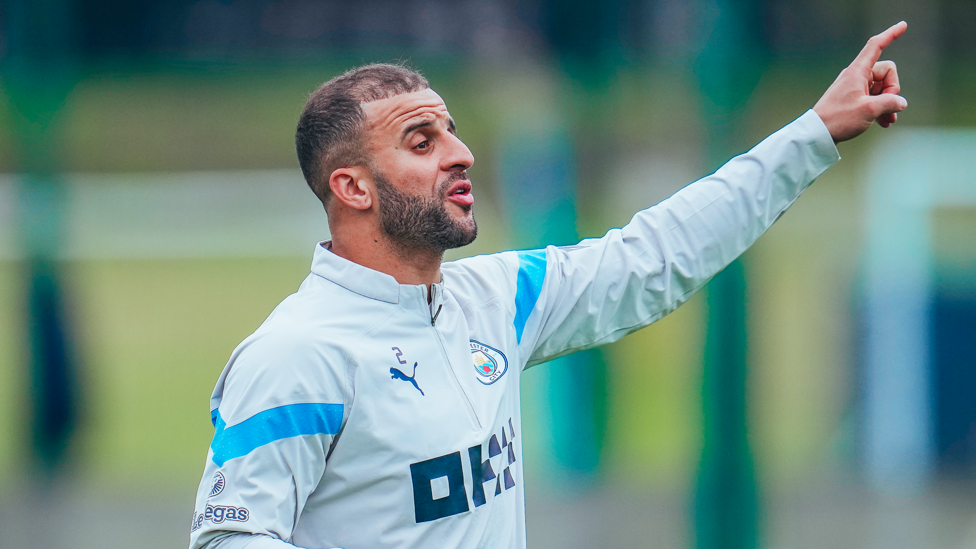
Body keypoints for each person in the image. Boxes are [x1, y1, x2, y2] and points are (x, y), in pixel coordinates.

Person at [189, 22, 909, 549]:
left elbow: (656, 255)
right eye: (422, 141)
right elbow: (231, 539)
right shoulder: (295, 354)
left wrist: (814, 133)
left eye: (452, 131)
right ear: (351, 187)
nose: (461, 153)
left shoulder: (497, 298)